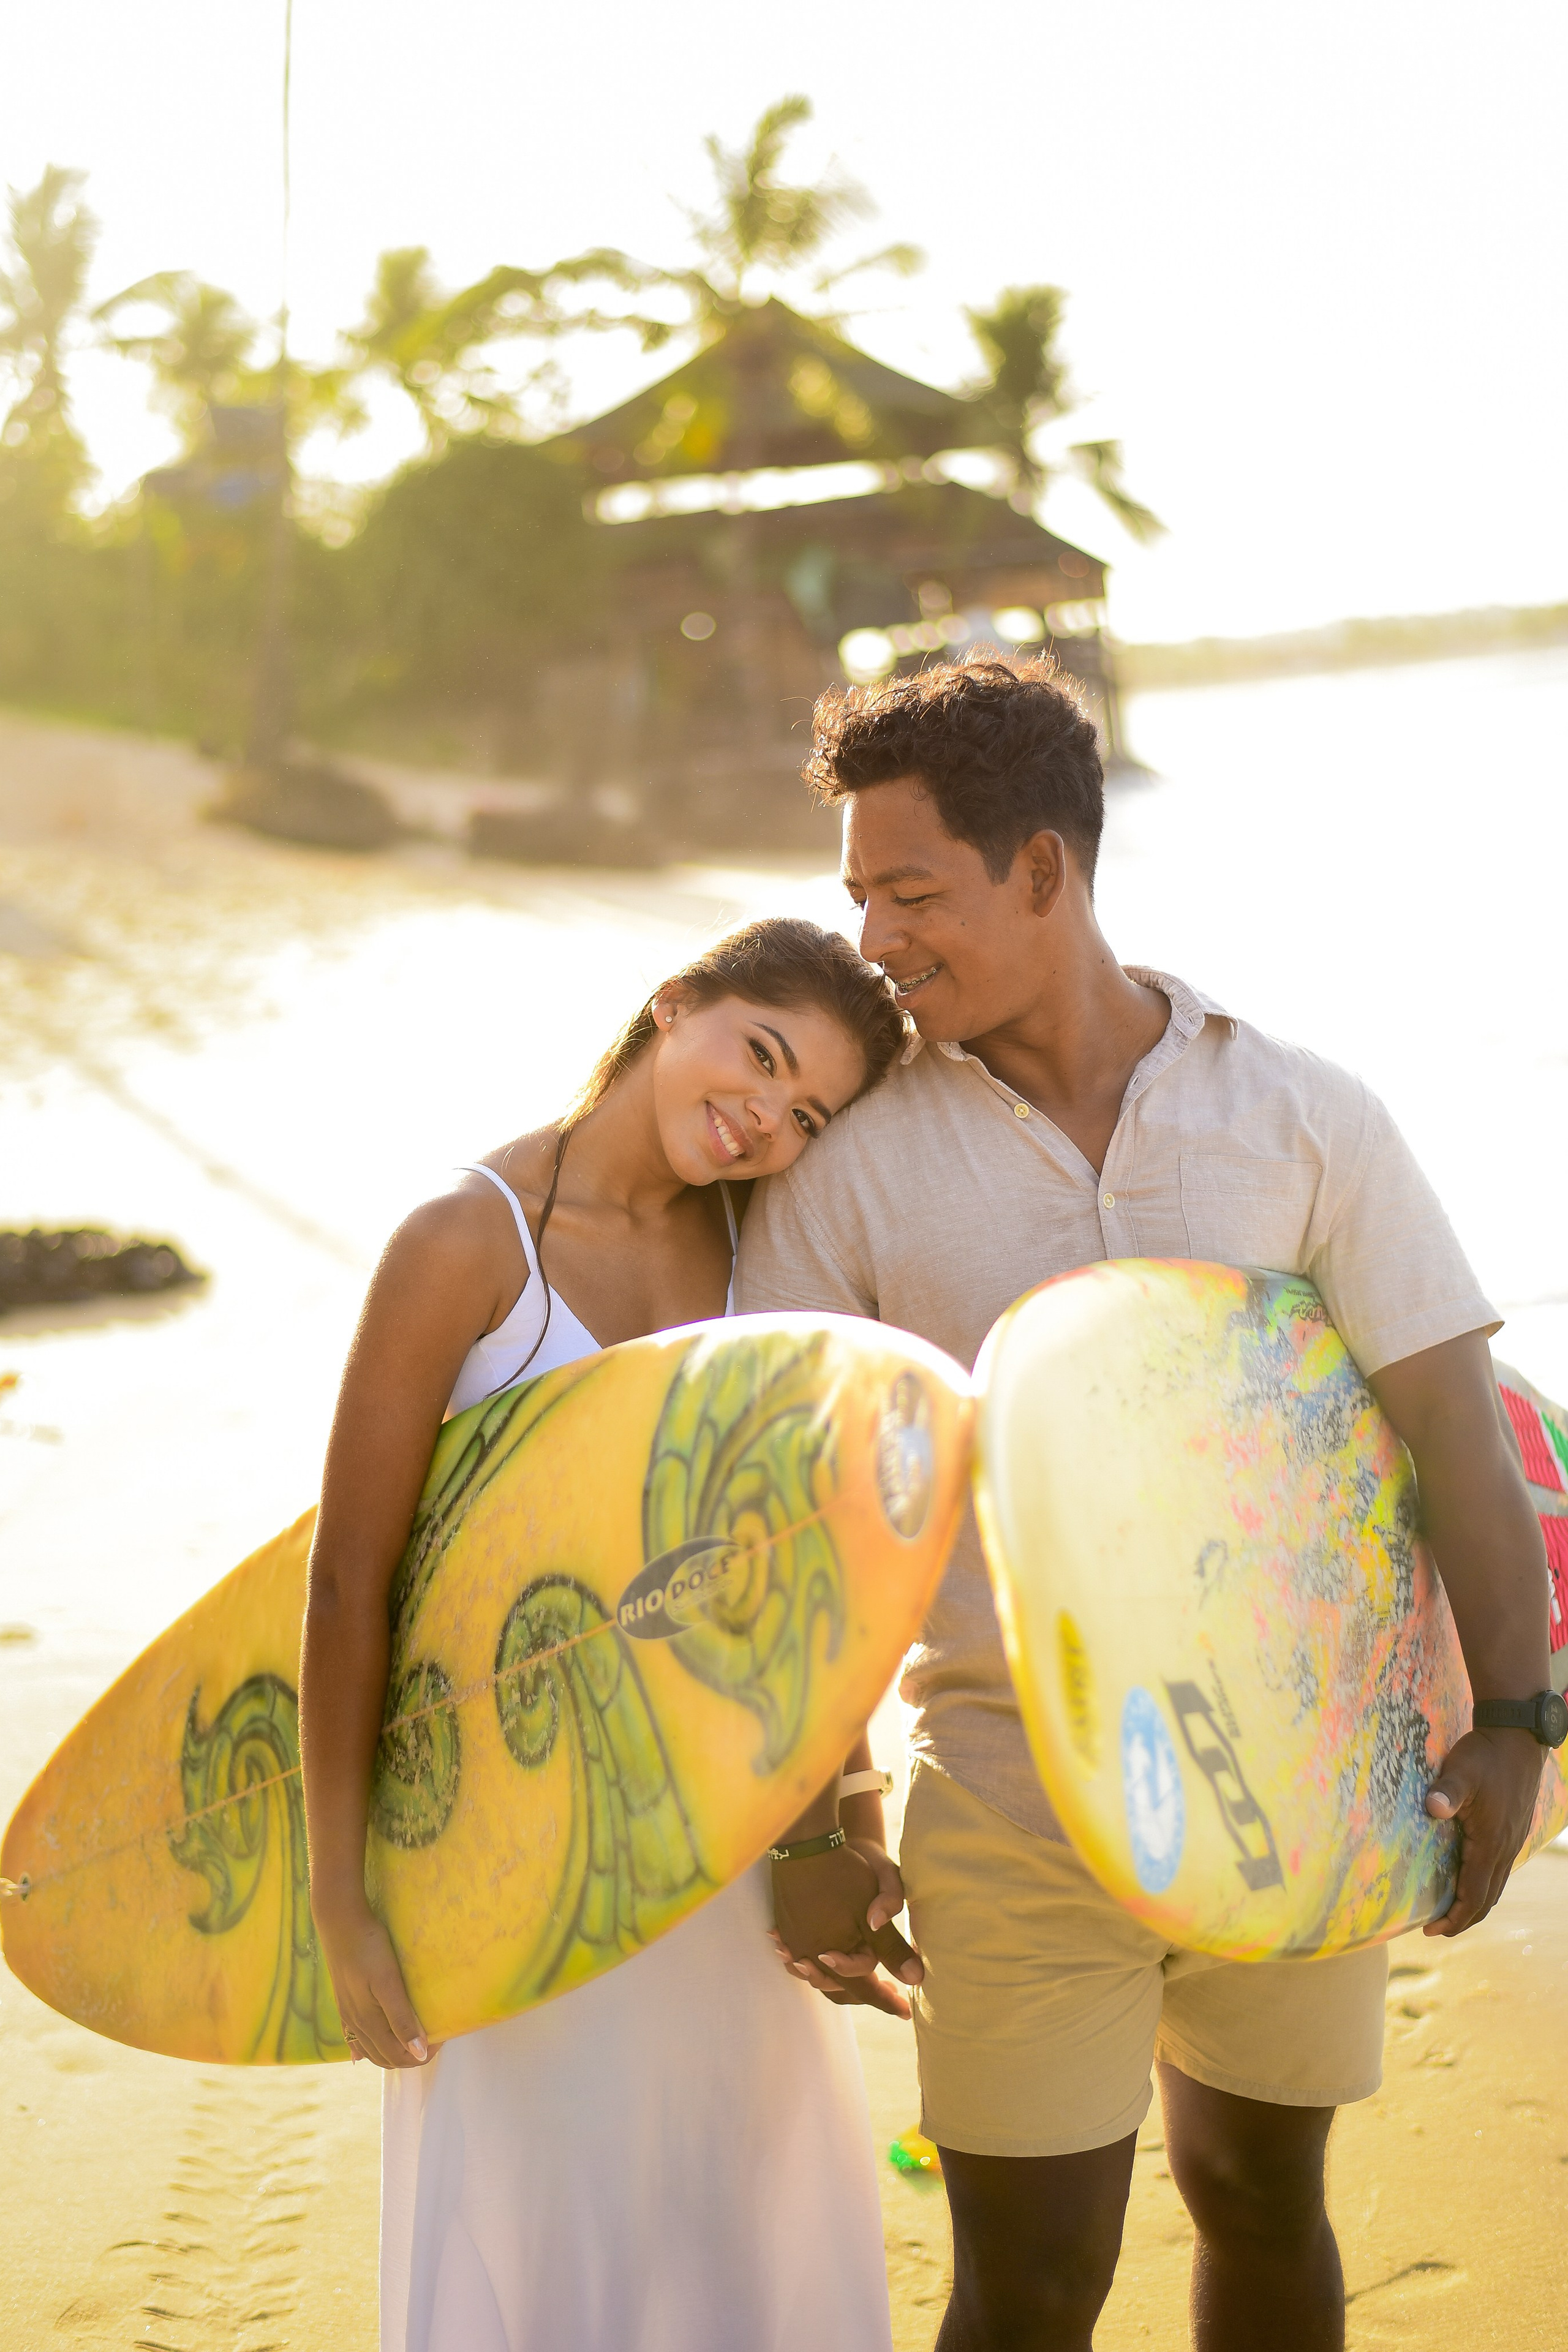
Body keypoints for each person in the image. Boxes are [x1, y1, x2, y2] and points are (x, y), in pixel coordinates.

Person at [739, 658, 1555, 2352]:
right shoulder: (851, 1165)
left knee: (1265, 2202)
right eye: (859, 898)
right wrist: (825, 1817)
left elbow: (1453, 1427)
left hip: (1312, 1763)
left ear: (1043, 868)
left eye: (914, 892)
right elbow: (801, 1522)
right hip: (1012, 1793)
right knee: (1031, 2284)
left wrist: (1519, 1720)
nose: (878, 939)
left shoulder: (1301, 1113)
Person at [298, 917, 910, 2352]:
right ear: (673, 1004)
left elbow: (792, 1571)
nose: (765, 1115)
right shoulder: (468, 1238)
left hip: (720, 1828)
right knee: (545, 2224)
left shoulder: (765, 1243)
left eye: (806, 1110)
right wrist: (341, 1894)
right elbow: (350, 1578)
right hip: (511, 1851)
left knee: (731, 2223)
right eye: (759, 1055)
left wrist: (841, 1815)